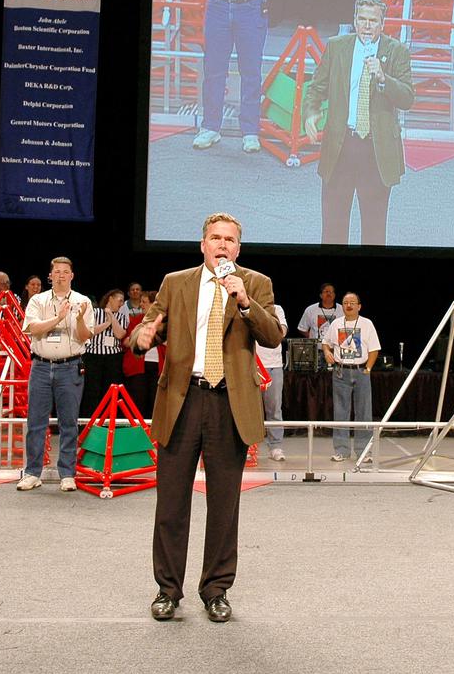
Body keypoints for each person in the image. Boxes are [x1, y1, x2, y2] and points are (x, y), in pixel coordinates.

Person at [133, 212, 281, 623]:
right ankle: (167, 590)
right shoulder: (175, 282)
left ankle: (216, 590)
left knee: (223, 506)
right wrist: (143, 335)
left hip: (228, 405)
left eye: (229, 240)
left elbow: (273, 335)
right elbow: (150, 326)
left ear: (238, 248)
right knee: (171, 505)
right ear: (203, 244)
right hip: (182, 400)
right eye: (215, 238)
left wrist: (246, 303)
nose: (222, 245)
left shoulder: (255, 284)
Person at [304, 0, 415, 246]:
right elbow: (316, 87)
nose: (367, 26)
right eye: (362, 19)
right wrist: (311, 111)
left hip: (376, 151)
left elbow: (407, 98)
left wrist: (384, 78)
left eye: (373, 21)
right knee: (333, 228)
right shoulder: (337, 46)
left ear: (382, 23)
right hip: (341, 146)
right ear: (354, 20)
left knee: (374, 232)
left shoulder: (396, 51)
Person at [192, 0, 279, 154]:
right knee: (214, 68)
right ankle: (210, 127)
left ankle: (250, 131)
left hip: (252, 7)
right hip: (218, 5)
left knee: (250, 71)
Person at [18, 257, 92, 492]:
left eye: (65, 272)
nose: (60, 275)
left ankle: (67, 474)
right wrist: (59, 317)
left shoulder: (83, 301)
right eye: (56, 272)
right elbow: (32, 329)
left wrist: (78, 319)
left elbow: (84, 336)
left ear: (72, 275)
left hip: (70, 366)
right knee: (36, 422)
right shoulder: (37, 300)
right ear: (50, 276)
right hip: (40, 366)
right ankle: (32, 472)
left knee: (68, 422)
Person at [321, 292, 381, 462]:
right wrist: (326, 352)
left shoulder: (366, 324)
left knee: (364, 412)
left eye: (352, 302)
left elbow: (374, 349)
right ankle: (341, 450)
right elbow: (326, 343)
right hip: (341, 371)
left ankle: (363, 451)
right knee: (340, 411)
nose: (349, 305)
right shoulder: (336, 324)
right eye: (345, 302)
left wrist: (368, 368)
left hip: (361, 371)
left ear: (359, 306)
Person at [81, 289, 128, 418]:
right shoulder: (95, 313)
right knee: (92, 389)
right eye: (120, 300)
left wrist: (111, 318)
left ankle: (109, 419)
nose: (121, 304)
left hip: (113, 357)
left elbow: (119, 334)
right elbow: (89, 332)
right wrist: (106, 323)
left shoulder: (121, 317)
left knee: (111, 389)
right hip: (93, 356)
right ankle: (90, 420)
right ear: (110, 299)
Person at [258, 302, 289, 461]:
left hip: (273, 366)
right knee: (250, 410)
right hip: (252, 365)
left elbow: (281, 332)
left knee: (274, 409)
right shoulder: (245, 306)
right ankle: (249, 448)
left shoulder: (277, 309)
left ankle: (275, 446)